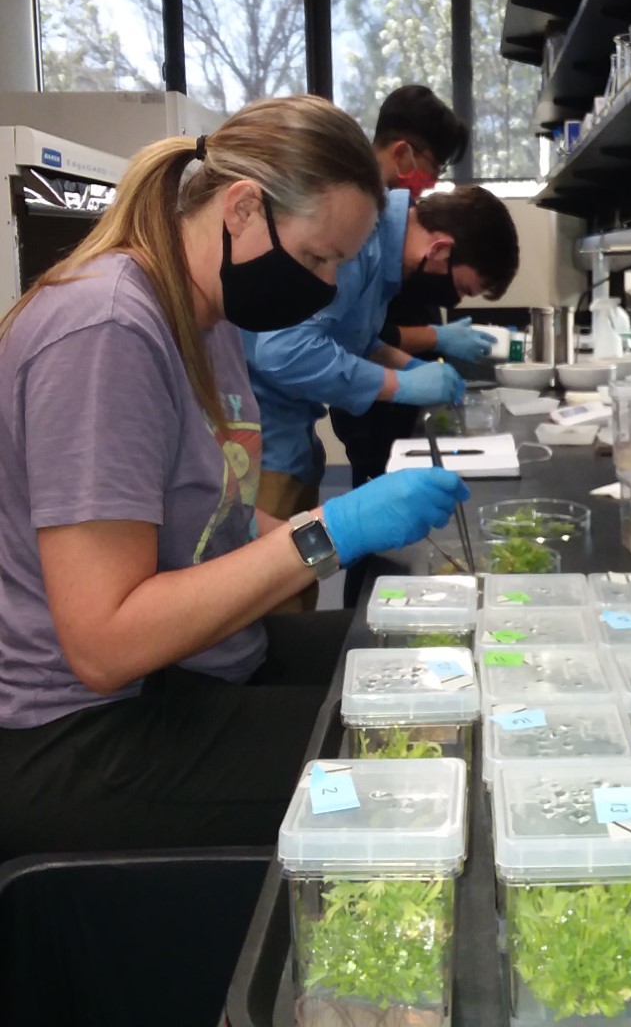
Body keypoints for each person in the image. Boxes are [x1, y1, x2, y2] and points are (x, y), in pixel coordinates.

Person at [0, 94, 469, 857]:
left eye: (338, 266)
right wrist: (334, 528)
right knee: (410, 774)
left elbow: (216, 516)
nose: (322, 285)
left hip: (175, 671)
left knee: (422, 679)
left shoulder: (208, 318)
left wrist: (333, 545)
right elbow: (105, 643)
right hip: (79, 727)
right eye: (317, 257)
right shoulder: (108, 330)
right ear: (243, 208)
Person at [245, 181, 519, 531]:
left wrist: (408, 365)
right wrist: (399, 385)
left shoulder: (385, 254)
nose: (455, 300)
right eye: (461, 288)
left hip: (293, 429)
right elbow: (284, 352)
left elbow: (351, 340)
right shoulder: (361, 240)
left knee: (300, 561)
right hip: (262, 435)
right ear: (440, 249)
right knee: (276, 569)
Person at [329, 86, 499, 491]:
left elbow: (359, 335)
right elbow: (299, 348)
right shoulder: (353, 226)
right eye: (434, 167)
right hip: (337, 409)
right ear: (403, 153)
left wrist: (409, 368)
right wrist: (405, 375)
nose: (432, 182)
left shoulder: (389, 222)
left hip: (344, 397)